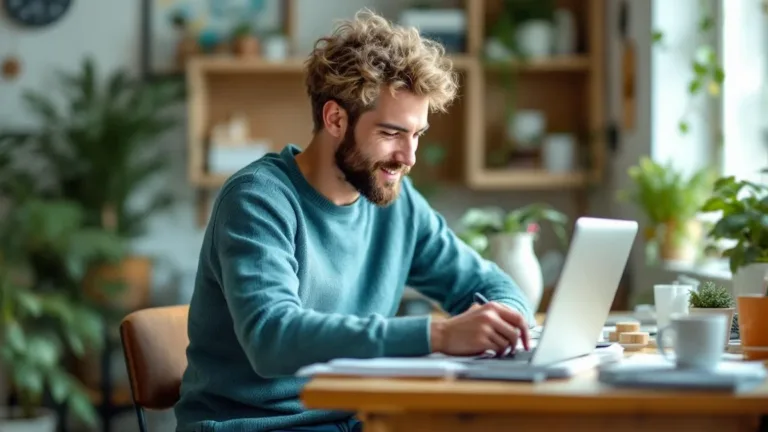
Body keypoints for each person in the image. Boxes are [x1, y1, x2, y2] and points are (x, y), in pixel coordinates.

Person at [174, 9, 535, 432]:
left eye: (417, 134)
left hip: (358, 422)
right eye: (390, 133)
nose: (409, 157)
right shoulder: (258, 199)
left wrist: (505, 320)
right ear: (335, 119)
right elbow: (271, 338)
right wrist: (437, 336)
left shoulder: (396, 203)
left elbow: (493, 286)